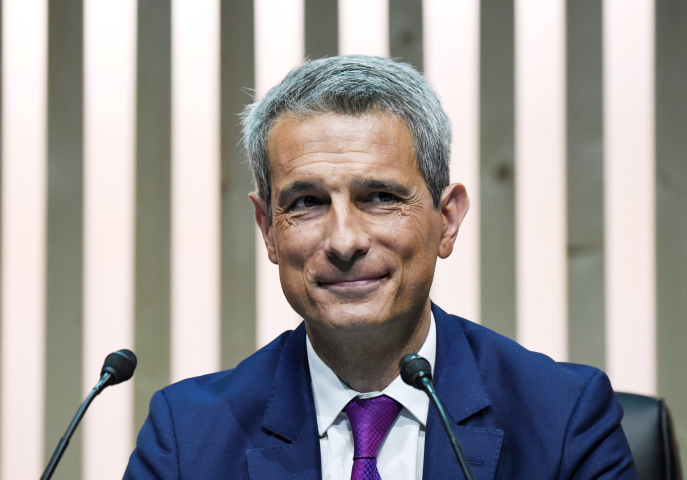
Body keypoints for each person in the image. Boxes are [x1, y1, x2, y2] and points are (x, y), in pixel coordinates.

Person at [124, 56, 636, 479]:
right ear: (268, 229)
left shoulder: (564, 420)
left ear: (447, 220)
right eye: (306, 202)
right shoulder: (187, 439)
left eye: (381, 197)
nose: (344, 241)